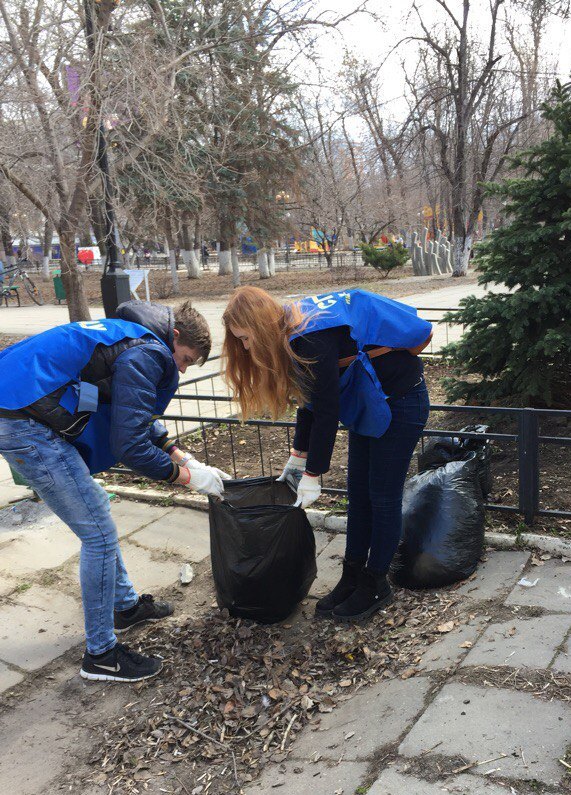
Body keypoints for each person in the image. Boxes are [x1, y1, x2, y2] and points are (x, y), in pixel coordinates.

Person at [0, 300, 228, 682]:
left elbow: (120, 406)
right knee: (99, 534)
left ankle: (125, 608)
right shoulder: (150, 352)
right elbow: (129, 445)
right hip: (24, 424)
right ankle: (101, 656)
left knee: (98, 523)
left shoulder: (126, 337)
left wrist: (178, 453)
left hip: (17, 408)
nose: (182, 369)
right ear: (173, 337)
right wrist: (187, 479)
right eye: (186, 358)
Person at [222, 287, 432, 623]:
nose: (246, 347)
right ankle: (352, 575)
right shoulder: (292, 331)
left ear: (260, 326)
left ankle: (376, 582)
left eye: (246, 338)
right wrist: (298, 455)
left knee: (382, 497)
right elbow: (311, 401)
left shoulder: (308, 338)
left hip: (401, 403)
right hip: (372, 405)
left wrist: (313, 473)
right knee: (358, 497)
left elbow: (327, 410)